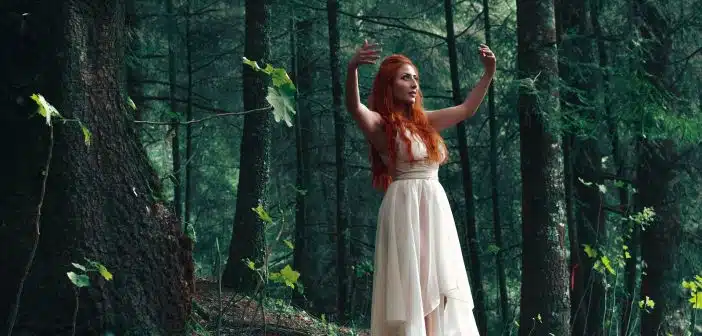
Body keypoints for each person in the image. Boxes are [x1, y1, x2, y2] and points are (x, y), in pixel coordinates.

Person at [344, 40, 496, 336]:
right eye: (405, 77)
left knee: (436, 279)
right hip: (404, 205)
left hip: (434, 205)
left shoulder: (424, 122)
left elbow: (466, 109)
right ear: (390, 85)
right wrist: (352, 69)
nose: (414, 84)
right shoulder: (380, 125)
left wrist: (488, 73)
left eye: (415, 78)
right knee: (412, 281)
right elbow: (354, 106)